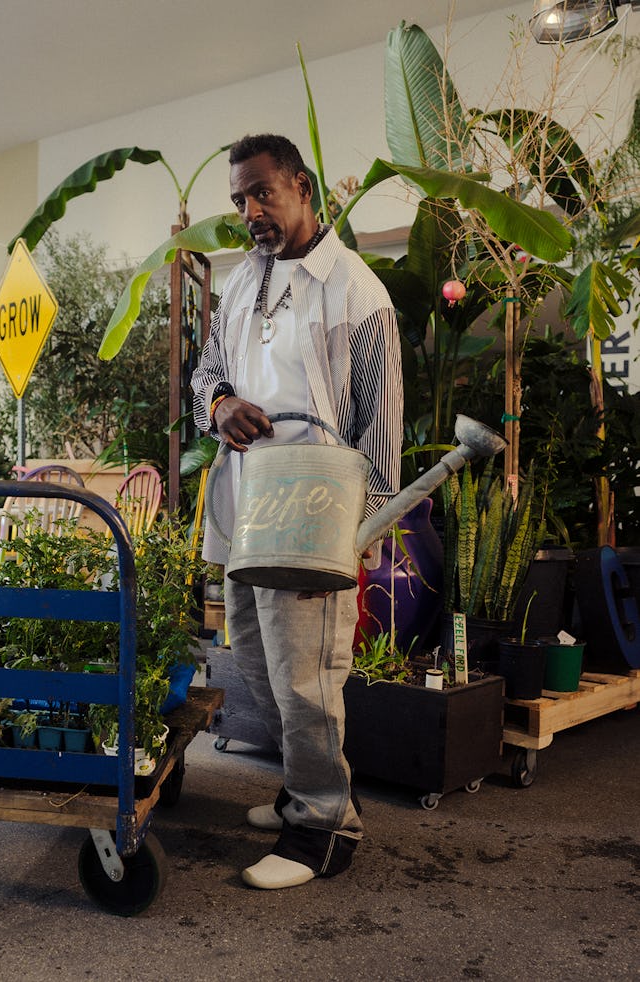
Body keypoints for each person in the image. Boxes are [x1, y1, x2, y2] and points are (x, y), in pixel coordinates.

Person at [192, 133, 403, 890]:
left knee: (307, 676)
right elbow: (208, 367)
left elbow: (381, 427)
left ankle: (324, 826)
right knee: (256, 661)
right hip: (247, 504)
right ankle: (301, 791)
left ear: (303, 187)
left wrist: (356, 538)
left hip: (315, 507)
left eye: (263, 194)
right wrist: (219, 404)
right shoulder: (242, 283)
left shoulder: (356, 291)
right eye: (240, 200)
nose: (251, 211)